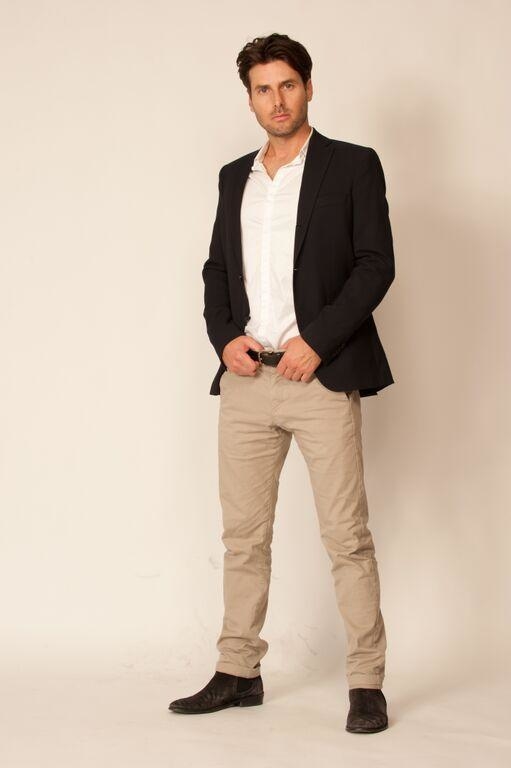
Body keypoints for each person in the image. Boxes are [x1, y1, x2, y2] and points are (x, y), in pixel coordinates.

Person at [168, 32, 395, 734]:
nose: (277, 100)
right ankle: (238, 670)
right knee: (243, 536)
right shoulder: (233, 176)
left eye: (287, 85)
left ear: (308, 86)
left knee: (346, 537)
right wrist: (223, 336)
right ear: (249, 99)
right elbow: (216, 268)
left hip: (321, 378)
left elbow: (375, 264)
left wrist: (316, 341)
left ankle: (366, 682)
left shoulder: (352, 166)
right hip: (247, 381)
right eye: (263, 89)